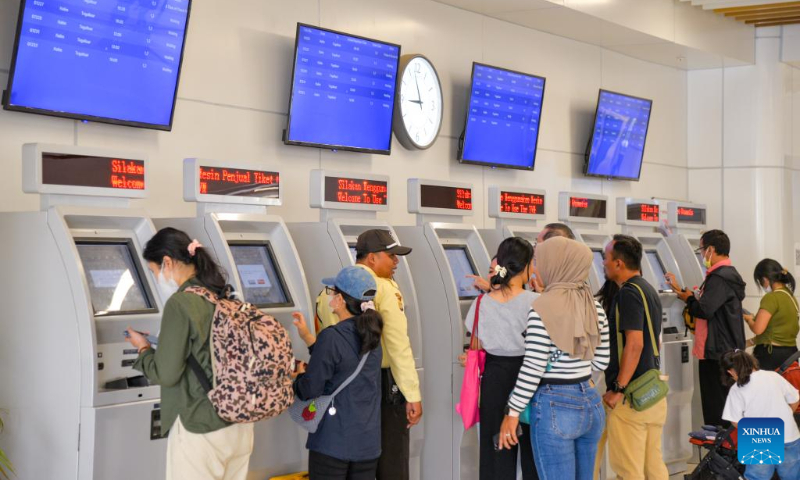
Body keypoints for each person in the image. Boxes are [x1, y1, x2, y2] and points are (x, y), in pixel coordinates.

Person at [125, 227, 254, 480]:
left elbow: (167, 373)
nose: (157, 279)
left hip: (201, 425)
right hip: (240, 424)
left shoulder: (180, 303)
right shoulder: (225, 295)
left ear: (167, 262)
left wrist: (143, 349)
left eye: (154, 271)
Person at [498, 237, 610, 480]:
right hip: (592, 403)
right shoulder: (594, 306)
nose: (536, 269)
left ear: (556, 265)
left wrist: (513, 412)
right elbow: (601, 361)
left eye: (540, 261)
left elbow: (533, 367)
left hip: (555, 406)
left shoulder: (542, 308)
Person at [314, 229, 422, 480]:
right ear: (372, 258)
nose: (396, 261)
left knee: (353, 464)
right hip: (379, 385)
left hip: (339, 386)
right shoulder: (383, 289)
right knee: (391, 462)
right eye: (391, 256)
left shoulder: (330, 290)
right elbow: (397, 345)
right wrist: (412, 393)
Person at [292, 266, 384, 480]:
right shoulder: (373, 336)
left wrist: (296, 379)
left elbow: (310, 389)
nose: (330, 296)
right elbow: (345, 362)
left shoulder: (332, 336)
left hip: (334, 442)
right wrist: (308, 338)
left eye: (332, 292)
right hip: (367, 443)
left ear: (341, 300)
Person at [463, 237, 539, 480]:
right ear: (525, 266)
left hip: (494, 378)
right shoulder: (536, 302)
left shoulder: (481, 302)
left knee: (495, 448)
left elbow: (476, 345)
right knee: (532, 449)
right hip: (529, 376)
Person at [600, 234, 669, 480]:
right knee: (653, 466)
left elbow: (635, 344)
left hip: (630, 397)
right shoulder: (648, 289)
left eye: (606, 258)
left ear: (619, 263)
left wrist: (618, 388)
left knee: (628, 469)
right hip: (652, 394)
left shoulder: (628, 294)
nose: (603, 263)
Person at [667, 229, 746, 427]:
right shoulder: (727, 275)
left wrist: (689, 299)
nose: (702, 254)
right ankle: (729, 445)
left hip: (717, 353)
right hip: (726, 349)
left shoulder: (719, 278)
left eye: (701, 250)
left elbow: (705, 309)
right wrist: (684, 294)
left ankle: (721, 445)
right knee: (726, 405)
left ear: (710, 249)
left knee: (716, 409)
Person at [721, 350, 800, 480]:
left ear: (731, 372)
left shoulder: (737, 388)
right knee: (793, 476)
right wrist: (785, 417)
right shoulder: (773, 376)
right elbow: (795, 399)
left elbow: (735, 421)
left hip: (760, 437)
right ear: (752, 362)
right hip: (789, 434)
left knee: (757, 477)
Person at [745, 259, 799, 371]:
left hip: (771, 356)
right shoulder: (791, 297)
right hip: (791, 355)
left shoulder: (771, 297)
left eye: (760, 282)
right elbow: (775, 329)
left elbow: (758, 329)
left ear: (765, 279)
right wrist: (749, 342)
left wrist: (749, 320)